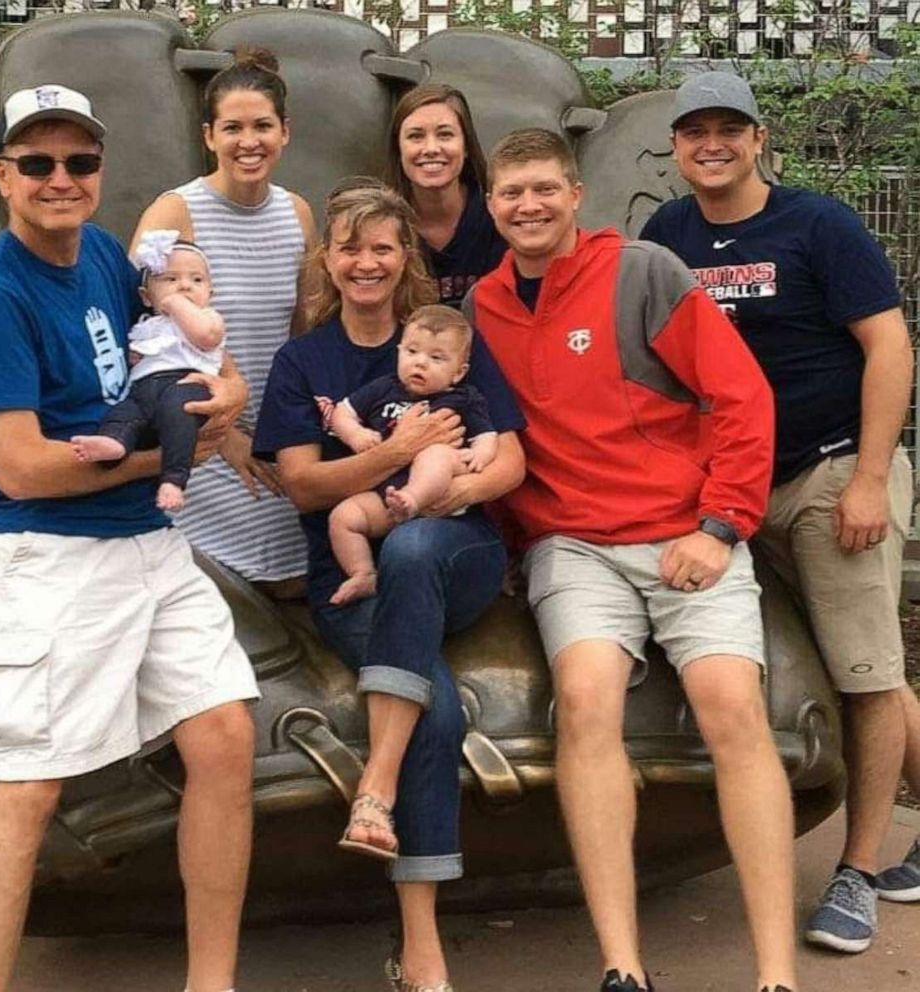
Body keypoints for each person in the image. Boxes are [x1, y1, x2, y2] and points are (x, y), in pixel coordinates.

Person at [0, 84, 258, 992]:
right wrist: (168, 454)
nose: (60, 179)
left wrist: (227, 390)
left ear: (99, 172)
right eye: (36, 163)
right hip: (55, 556)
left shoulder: (110, 262)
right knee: (29, 786)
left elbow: (192, 350)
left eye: (78, 162)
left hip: (149, 546)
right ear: (2, 176)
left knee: (226, 739)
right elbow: (20, 467)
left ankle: (212, 984)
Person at [468, 127, 796, 992]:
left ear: (576, 195)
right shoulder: (483, 311)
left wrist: (721, 525)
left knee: (732, 707)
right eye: (511, 194)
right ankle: (623, 966)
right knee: (583, 704)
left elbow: (741, 396)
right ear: (491, 208)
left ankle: (775, 974)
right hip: (572, 545)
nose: (528, 206)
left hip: (685, 529)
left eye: (544, 189)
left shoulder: (643, 272)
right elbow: (490, 441)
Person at [640, 70, 920, 951]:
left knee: (864, 672)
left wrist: (871, 477)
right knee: (840, 662)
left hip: (827, 471)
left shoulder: (819, 226)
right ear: (676, 147)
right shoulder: (668, 233)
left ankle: (859, 870)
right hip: (724, 490)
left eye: (730, 129)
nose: (712, 144)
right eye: (695, 131)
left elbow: (889, 346)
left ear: (760, 139)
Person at [255, 184, 525, 991]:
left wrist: (451, 486)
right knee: (434, 708)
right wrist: (394, 452)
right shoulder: (305, 362)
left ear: (405, 256)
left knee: (412, 543)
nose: (366, 262)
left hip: (457, 551)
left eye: (382, 247)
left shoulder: (446, 341)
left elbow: (509, 460)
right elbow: (304, 486)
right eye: (349, 247)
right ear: (328, 261)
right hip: (352, 578)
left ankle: (374, 786)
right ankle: (421, 945)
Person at [131, 47, 315, 594]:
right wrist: (223, 433)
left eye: (262, 126)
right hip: (199, 429)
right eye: (232, 127)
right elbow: (144, 340)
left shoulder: (297, 213)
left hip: (272, 431)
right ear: (209, 136)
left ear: (285, 131)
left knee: (303, 575)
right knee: (237, 585)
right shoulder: (174, 212)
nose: (248, 141)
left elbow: (301, 332)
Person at [325, 303, 498, 606]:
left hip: (439, 491)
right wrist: (356, 434)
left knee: (435, 454)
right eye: (412, 352)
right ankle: (363, 573)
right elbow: (342, 411)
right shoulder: (384, 388)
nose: (421, 364)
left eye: (436, 358)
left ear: (459, 372)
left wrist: (481, 454)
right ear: (399, 353)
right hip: (388, 493)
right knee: (344, 517)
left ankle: (413, 500)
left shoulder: (463, 397)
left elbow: (487, 434)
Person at [71, 230, 226, 512]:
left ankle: (174, 478)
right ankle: (114, 443)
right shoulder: (146, 323)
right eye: (170, 279)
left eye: (197, 280)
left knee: (179, 414)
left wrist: (174, 303)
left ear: (210, 292)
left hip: (187, 382)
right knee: (124, 413)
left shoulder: (208, 317)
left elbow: (205, 337)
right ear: (145, 296)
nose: (184, 287)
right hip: (143, 389)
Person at [386, 83, 506, 308]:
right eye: (416, 136)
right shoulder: (381, 225)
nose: (431, 148)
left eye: (445, 135)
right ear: (398, 149)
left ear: (466, 145)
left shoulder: (500, 216)